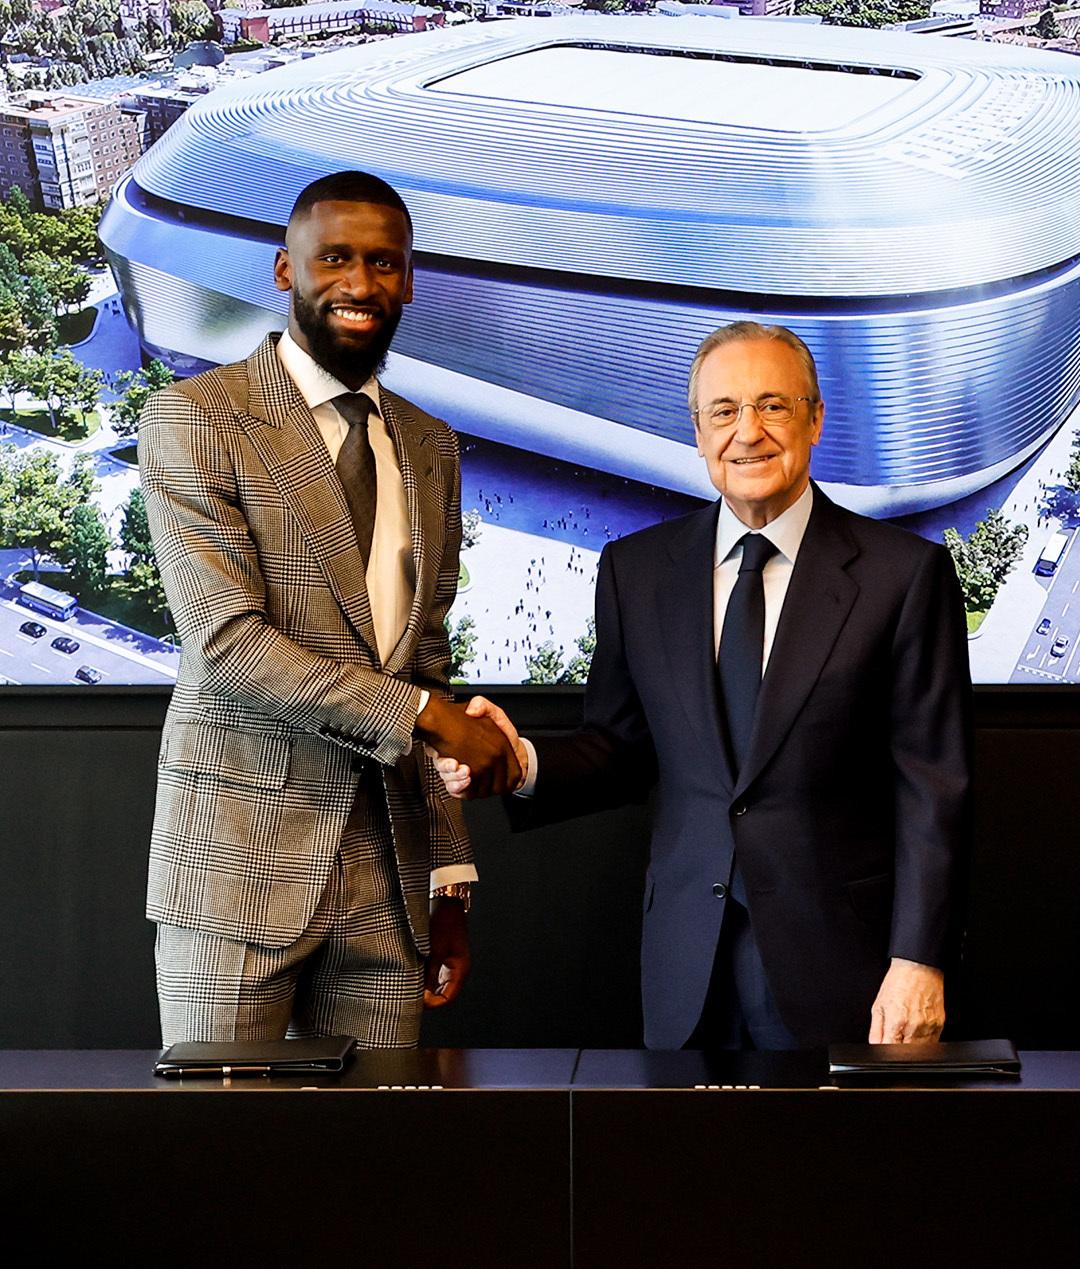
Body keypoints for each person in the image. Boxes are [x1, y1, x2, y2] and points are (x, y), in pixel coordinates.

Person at [437, 322, 972, 1050]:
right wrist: (522, 760)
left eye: (773, 406)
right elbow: (620, 749)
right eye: (723, 411)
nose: (747, 432)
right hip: (685, 965)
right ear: (696, 431)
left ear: (816, 419)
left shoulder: (901, 577)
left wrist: (919, 959)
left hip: (849, 971)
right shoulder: (637, 570)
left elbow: (933, 787)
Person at [139, 171, 519, 1047]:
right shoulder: (198, 419)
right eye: (336, 258)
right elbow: (229, 647)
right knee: (220, 1164)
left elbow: (427, 664)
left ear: (409, 281)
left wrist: (449, 881)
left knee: (367, 1173)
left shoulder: (430, 446)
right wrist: (429, 715)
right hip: (233, 875)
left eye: (384, 263)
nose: (360, 284)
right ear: (285, 270)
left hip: (391, 891)